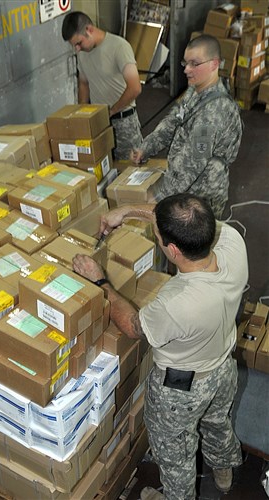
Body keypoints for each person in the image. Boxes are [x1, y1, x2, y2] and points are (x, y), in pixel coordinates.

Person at [72, 193, 248, 500]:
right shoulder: (231, 240)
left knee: (175, 452)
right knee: (218, 422)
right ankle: (224, 473)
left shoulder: (176, 303)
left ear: (173, 250)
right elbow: (176, 220)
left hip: (183, 390)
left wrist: (100, 282)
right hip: (224, 369)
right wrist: (126, 211)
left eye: (158, 237)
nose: (156, 235)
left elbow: (132, 326)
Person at [131, 35, 243, 219]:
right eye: (185, 63)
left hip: (200, 199)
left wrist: (159, 196)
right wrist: (146, 147)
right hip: (184, 187)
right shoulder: (195, 90)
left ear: (214, 64)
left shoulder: (213, 111)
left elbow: (193, 162)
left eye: (194, 64)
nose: (187, 70)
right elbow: (173, 121)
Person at [61, 11, 143, 160]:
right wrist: (82, 115)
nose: (77, 49)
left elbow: (135, 87)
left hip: (124, 122)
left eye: (79, 43)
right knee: (105, 170)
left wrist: (112, 110)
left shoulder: (119, 46)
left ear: (89, 30)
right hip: (100, 122)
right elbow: (84, 84)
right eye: (74, 45)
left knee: (131, 171)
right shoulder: (83, 53)